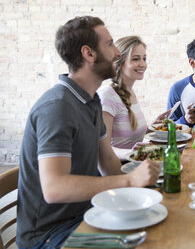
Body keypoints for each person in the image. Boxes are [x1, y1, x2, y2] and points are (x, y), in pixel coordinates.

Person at [16, 17, 161, 249]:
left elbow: (109, 167)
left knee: (161, 224)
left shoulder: (91, 101)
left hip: (89, 213)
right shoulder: (58, 106)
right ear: (89, 53)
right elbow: (54, 189)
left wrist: (154, 182)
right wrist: (130, 180)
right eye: (110, 44)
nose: (116, 53)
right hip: (49, 236)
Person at [98, 36, 169, 160]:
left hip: (135, 165)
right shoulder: (107, 96)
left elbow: (129, 138)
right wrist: (131, 153)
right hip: (118, 169)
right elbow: (101, 150)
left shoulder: (130, 92)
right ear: (119, 63)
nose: (143, 64)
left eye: (144, 58)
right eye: (136, 59)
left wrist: (152, 128)